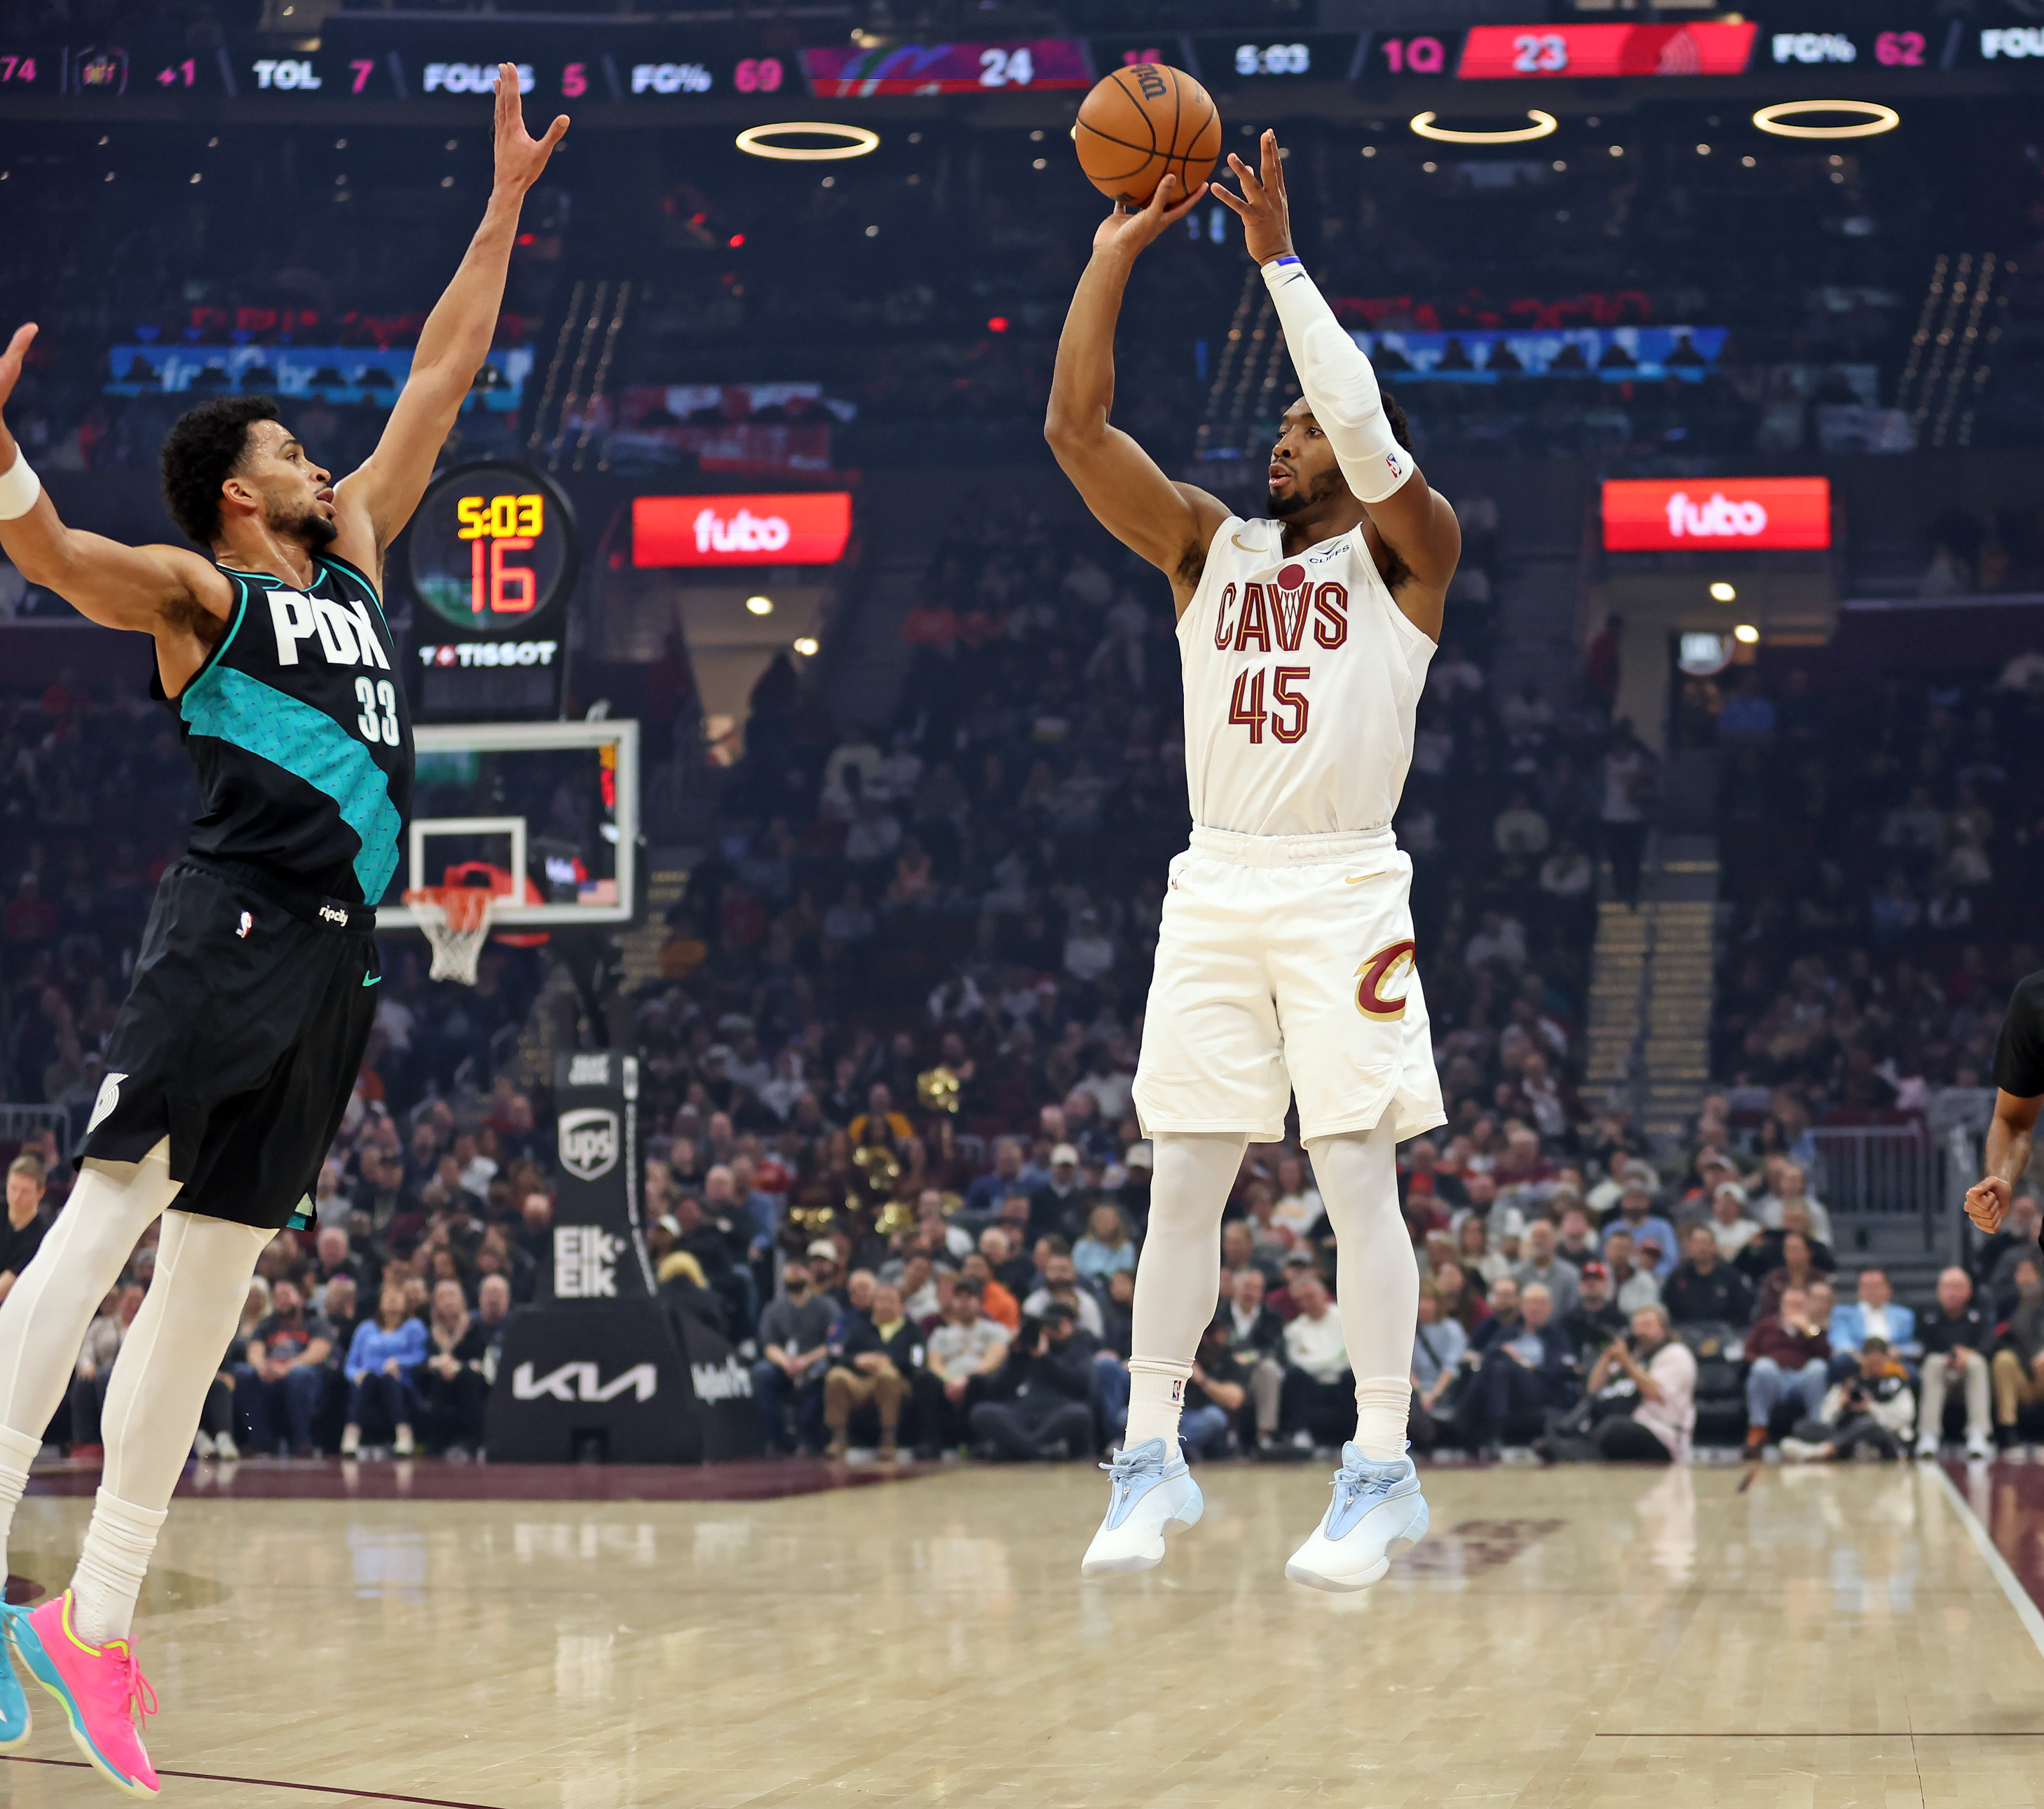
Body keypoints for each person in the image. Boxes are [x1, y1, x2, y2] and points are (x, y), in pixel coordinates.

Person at [0, 69, 568, 1794]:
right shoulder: (205, 595)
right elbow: (52, 551)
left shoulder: (363, 556)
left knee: (213, 1287)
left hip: (336, 956)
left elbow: (438, 374)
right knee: (97, 1236)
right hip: (225, 923)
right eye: (292, 456)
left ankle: (91, 1624)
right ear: (242, 498)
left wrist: (503, 210)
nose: (326, 462)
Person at [1049, 131, 1457, 1590]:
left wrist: (1279, 263)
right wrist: (1109, 263)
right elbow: (1079, 437)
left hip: (1346, 884)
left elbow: (1363, 421)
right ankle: (1151, 1458)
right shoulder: (1208, 552)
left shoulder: (1411, 557)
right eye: (1279, 427)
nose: (1278, 439)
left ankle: (1381, 1466)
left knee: (1355, 1176)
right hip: (1216, 879)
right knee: (1182, 1180)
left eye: (1301, 429)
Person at [967, 1301, 1100, 1462]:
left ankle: (1019, 1448)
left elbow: (1081, 1386)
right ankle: (1038, 1450)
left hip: (1057, 1413)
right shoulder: (1024, 1353)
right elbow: (997, 1390)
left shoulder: (1078, 1349)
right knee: (982, 1412)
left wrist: (1046, 1358)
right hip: (1021, 1413)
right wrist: (1015, 1356)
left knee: (1079, 1413)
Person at [1567, 1304, 1696, 1462]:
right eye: (1637, 1326)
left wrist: (1625, 1362)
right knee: (1561, 1427)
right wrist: (1607, 1357)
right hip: (1615, 1425)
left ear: (1663, 1328)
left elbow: (1654, 1392)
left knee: (1613, 1429)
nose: (1641, 1332)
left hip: (1659, 1433)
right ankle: (1574, 1449)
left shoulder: (1675, 1354)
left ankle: (1580, 1452)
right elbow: (1592, 1389)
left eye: (1647, 1326)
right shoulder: (1633, 1355)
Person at [236, 1278, 336, 1457]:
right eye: (278, 1297)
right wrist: (261, 1367)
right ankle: (261, 1442)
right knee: (243, 1373)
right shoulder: (267, 1324)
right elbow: (255, 1350)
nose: (282, 1300)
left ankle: (302, 1441)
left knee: (298, 1376)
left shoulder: (314, 1321)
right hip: (271, 1375)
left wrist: (286, 1368)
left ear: (299, 1298)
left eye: (287, 1295)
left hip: (304, 1376)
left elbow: (319, 1350)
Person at [823, 1281, 921, 1462]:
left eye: (890, 1301)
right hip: (861, 1381)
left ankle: (888, 1439)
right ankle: (838, 1438)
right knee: (836, 1377)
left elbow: (917, 1362)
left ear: (901, 1306)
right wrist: (857, 1360)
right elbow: (840, 1356)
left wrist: (889, 1362)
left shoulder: (913, 1332)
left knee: (887, 1376)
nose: (885, 1306)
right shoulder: (859, 1330)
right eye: (880, 1301)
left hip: (896, 1381)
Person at [1780, 1339, 1915, 1463]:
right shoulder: (1850, 1383)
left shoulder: (1896, 1383)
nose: (1875, 1367)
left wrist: (1871, 1407)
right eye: (1871, 1363)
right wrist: (1840, 1402)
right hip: (1846, 1433)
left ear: (1887, 1358)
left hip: (1883, 1436)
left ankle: (1824, 1450)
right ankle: (1845, 1449)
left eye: (1878, 1363)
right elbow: (1825, 1419)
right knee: (1802, 1427)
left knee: (1868, 1425)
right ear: (1862, 1359)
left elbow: (1902, 1420)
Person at [753, 1255, 836, 1454]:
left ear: (809, 1275)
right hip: (785, 1364)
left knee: (821, 1374)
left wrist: (806, 1361)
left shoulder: (826, 1306)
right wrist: (786, 1363)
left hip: (815, 1361)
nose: (795, 1272)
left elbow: (833, 1343)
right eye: (791, 1268)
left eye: (800, 1268)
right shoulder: (773, 1309)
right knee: (761, 1373)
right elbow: (768, 1344)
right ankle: (775, 1438)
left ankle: (808, 1437)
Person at [1914, 1266, 1994, 1460]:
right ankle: (1929, 1435)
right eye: (1948, 1287)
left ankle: (1978, 1434)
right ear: (1939, 1291)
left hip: (1968, 1376)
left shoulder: (1978, 1319)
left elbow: (1989, 1347)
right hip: (1940, 1376)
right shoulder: (1928, 1319)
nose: (1953, 1293)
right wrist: (1948, 1359)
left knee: (1977, 1363)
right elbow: (1922, 1351)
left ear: (1969, 1291)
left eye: (1958, 1287)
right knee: (1933, 1362)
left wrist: (1967, 1355)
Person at [1743, 1285, 1832, 1456]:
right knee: (1763, 1367)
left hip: (1802, 1378)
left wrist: (1809, 1330)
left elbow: (1825, 1355)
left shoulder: (1814, 1328)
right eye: (1790, 1304)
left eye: (1800, 1305)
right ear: (1782, 1306)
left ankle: (1816, 1430)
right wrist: (1763, 1362)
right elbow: (1748, 1352)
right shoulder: (1767, 1326)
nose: (1795, 1309)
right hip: (1774, 1378)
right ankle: (1758, 1429)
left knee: (1818, 1369)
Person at [340, 1284, 426, 1457]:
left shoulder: (413, 1327)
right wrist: (356, 1375)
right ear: (380, 1304)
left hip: (399, 1381)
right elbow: (351, 1363)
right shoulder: (366, 1329)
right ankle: (351, 1434)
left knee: (389, 1379)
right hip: (368, 1381)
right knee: (369, 1378)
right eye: (388, 1298)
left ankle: (403, 1434)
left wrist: (399, 1362)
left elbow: (421, 1354)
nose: (393, 1302)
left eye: (397, 1298)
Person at [925, 1278, 1009, 1450]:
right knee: (925, 1380)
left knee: (980, 1382)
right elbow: (935, 1363)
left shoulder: (997, 1330)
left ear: (979, 1302)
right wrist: (950, 1380)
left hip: (978, 1378)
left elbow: (992, 1361)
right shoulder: (941, 1334)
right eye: (959, 1298)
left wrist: (966, 1380)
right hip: (948, 1380)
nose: (963, 1304)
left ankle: (977, 1441)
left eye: (969, 1298)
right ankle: (929, 1443)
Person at [416, 1278, 491, 1458]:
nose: (448, 1301)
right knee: (439, 1377)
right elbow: (422, 1362)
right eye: (442, 1297)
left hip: (472, 1379)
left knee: (467, 1376)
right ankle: (436, 1442)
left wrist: (459, 1367)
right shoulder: (430, 1332)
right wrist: (436, 1364)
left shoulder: (476, 1328)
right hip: (440, 1380)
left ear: (462, 1300)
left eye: (452, 1296)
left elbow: (483, 1360)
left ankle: (474, 1440)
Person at [1991, 1259, 2044, 1442]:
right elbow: (1999, 1341)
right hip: (2022, 1373)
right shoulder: (2007, 1306)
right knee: (2003, 1359)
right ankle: (2008, 1430)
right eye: (2021, 1274)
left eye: (2030, 1273)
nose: (2026, 1279)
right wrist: (2029, 1357)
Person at [1663, 1222, 1755, 1327]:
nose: (1701, 1248)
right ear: (1689, 1247)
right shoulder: (1678, 1277)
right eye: (1696, 1243)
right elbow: (1669, 1308)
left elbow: (1742, 1312)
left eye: (1705, 1243)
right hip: (1686, 1331)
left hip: (1725, 1333)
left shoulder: (1731, 1276)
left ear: (1714, 1246)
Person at [0, 1155, 50, 1304]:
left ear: (40, 1193)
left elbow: (7, 1284)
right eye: (13, 1188)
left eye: (25, 1191)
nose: (16, 1197)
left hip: (15, 1307)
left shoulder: (42, 1234)